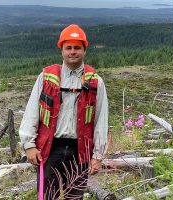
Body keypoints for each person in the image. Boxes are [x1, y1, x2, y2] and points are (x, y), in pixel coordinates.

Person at [19, 24, 108, 200]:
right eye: (68, 48)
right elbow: (31, 113)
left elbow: (101, 121)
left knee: (74, 197)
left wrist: (97, 156)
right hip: (50, 149)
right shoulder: (46, 77)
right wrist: (29, 145)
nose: (72, 52)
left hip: (80, 151)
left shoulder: (96, 82)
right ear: (62, 50)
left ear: (84, 50)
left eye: (77, 48)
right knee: (47, 196)